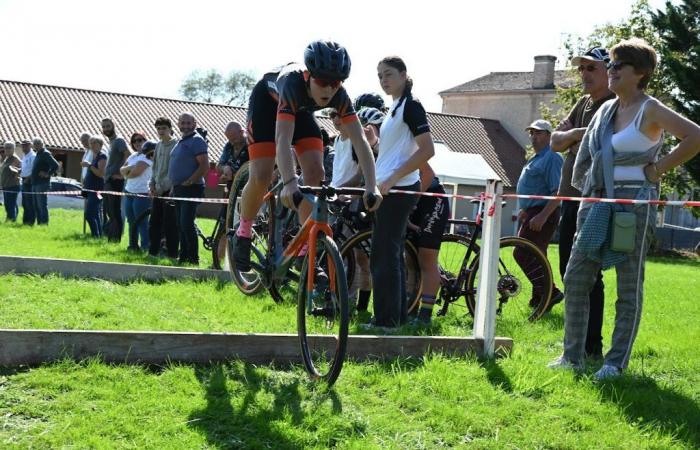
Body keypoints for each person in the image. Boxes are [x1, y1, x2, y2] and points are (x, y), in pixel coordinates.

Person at [550, 38, 700, 380]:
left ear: (641, 73)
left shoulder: (651, 109)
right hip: (597, 198)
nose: (612, 71)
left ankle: (615, 362)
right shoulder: (605, 110)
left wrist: (657, 168)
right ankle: (572, 356)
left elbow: (695, 136)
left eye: (619, 66)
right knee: (576, 277)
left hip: (634, 204)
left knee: (627, 285)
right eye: (612, 65)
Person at [231, 40, 381, 272]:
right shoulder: (292, 84)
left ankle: (303, 249)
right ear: (309, 75)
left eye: (336, 83)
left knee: (316, 174)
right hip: (267, 106)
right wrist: (290, 183)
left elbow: (360, 141)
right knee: (261, 174)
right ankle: (243, 231)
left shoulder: (340, 96)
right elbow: (282, 139)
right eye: (322, 82)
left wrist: (373, 186)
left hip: (300, 112)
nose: (329, 90)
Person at [551, 47, 615, 360]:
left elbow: (598, 140)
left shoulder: (615, 105)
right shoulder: (583, 103)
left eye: (592, 68)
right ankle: (576, 347)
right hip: (571, 196)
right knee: (568, 269)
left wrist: (573, 136)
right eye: (582, 68)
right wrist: (579, 132)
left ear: (609, 72)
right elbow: (554, 141)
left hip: (595, 197)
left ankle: (591, 348)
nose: (585, 74)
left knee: (589, 272)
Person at [363, 56, 434, 329]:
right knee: (388, 254)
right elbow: (395, 154)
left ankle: (386, 321)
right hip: (388, 189)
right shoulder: (395, 107)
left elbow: (428, 151)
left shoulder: (412, 107)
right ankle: (397, 317)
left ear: (404, 75)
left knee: (384, 254)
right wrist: (376, 144)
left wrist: (392, 178)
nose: (383, 80)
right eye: (380, 75)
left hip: (399, 190)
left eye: (389, 74)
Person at [515, 119, 565, 310]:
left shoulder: (552, 157)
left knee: (522, 252)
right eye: (532, 133)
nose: (534, 137)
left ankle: (549, 292)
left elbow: (558, 192)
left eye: (539, 133)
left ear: (549, 135)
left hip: (544, 213)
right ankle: (540, 300)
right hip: (533, 212)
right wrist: (525, 208)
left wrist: (543, 215)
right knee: (537, 255)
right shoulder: (537, 157)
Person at [409, 163, 451, 325]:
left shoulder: (408, 143)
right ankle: (411, 309)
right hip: (415, 200)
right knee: (410, 259)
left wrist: (413, 203)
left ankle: (425, 315)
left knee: (426, 259)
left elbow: (428, 172)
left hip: (433, 199)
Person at [168, 112, 209, 265]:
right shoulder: (180, 141)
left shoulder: (197, 141)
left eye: (188, 123)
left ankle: (193, 259)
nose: (185, 125)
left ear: (194, 124)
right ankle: (183, 256)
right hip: (178, 189)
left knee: (186, 223)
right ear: (178, 124)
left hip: (192, 188)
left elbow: (204, 165)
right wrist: (174, 186)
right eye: (182, 122)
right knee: (180, 223)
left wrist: (191, 180)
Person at [148, 117, 179, 258]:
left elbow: (174, 170)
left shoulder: (176, 145)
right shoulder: (158, 145)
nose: (161, 131)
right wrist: (152, 184)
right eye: (159, 128)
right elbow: (154, 168)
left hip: (169, 190)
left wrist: (162, 187)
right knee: (154, 222)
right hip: (157, 190)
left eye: (164, 128)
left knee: (170, 224)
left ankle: (172, 254)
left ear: (170, 129)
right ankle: (153, 252)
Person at [121, 136, 154, 251]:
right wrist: (130, 169)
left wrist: (128, 172)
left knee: (141, 222)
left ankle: (146, 247)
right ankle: (133, 246)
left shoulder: (149, 155)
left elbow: (135, 173)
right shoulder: (133, 156)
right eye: (134, 141)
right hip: (129, 191)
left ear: (145, 141)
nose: (137, 143)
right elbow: (121, 170)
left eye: (140, 140)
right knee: (131, 221)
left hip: (142, 193)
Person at [102, 118, 131, 242]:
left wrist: (121, 174)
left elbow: (128, 155)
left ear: (113, 125)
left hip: (115, 181)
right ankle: (111, 237)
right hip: (108, 180)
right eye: (104, 127)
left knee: (114, 211)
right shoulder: (111, 142)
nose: (106, 129)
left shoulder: (119, 140)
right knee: (110, 211)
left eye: (108, 126)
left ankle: (115, 239)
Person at [30, 137, 59, 225]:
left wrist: (47, 173)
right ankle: (39, 223)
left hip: (42, 183)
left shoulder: (45, 153)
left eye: (38, 144)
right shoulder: (38, 154)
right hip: (35, 183)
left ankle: (44, 223)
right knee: (36, 205)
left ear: (42, 144)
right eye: (35, 144)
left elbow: (55, 165)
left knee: (41, 205)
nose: (36, 146)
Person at [83, 135, 108, 237]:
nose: (92, 145)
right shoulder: (93, 156)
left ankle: (95, 235)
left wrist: (89, 165)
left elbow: (100, 173)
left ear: (100, 144)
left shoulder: (102, 156)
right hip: (90, 189)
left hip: (97, 190)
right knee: (96, 214)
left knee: (89, 214)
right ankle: (98, 236)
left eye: (94, 143)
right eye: (91, 143)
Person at [217, 121, 249, 185]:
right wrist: (224, 168)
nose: (232, 143)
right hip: (231, 188)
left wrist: (233, 176)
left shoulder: (250, 146)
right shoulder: (228, 146)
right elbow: (219, 166)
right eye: (229, 139)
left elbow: (256, 170)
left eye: (234, 139)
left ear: (241, 132)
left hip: (247, 188)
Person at [0, 142, 22, 221]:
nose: (7, 150)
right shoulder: (6, 159)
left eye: (9, 148)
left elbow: (19, 171)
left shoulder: (15, 159)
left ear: (13, 149)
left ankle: (11, 219)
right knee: (9, 204)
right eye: (6, 148)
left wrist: (16, 172)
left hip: (13, 185)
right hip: (6, 185)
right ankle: (11, 218)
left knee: (10, 204)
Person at [19, 139, 36, 225]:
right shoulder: (24, 156)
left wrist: (28, 179)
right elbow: (25, 169)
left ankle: (30, 222)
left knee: (29, 203)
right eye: (23, 145)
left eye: (25, 145)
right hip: (23, 180)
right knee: (24, 203)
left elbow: (34, 170)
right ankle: (25, 221)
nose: (24, 147)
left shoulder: (33, 156)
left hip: (29, 181)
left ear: (30, 145)